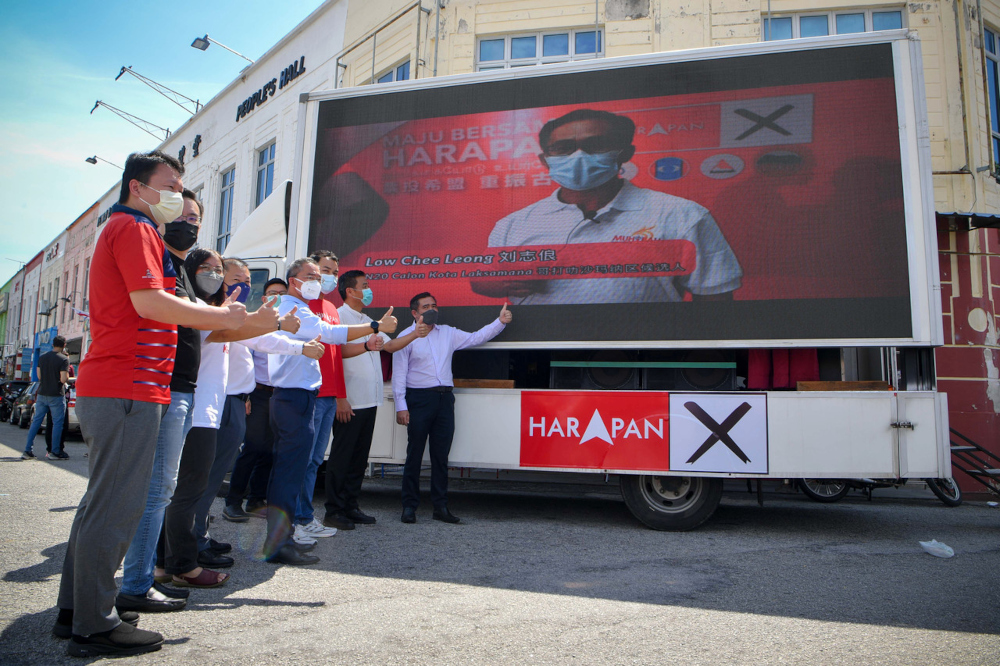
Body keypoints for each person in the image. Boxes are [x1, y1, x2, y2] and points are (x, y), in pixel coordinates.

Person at [55, 151, 247, 658]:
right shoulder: (134, 227)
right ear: (138, 187)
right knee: (116, 510)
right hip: (127, 388)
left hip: (125, 386)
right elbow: (152, 305)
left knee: (100, 506)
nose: (178, 194)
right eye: (171, 184)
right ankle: (93, 626)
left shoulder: (133, 228)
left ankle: (76, 610)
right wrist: (224, 316)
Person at [477, 108, 742, 304]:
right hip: (539, 355)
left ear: (625, 153)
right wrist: (493, 284)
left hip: (641, 357)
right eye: (563, 148)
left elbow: (714, 298)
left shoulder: (681, 215)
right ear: (545, 160)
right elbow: (482, 279)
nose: (578, 156)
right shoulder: (513, 224)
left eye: (595, 145)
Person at [264, 257, 398, 566]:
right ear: (293, 280)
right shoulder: (289, 307)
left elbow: (326, 332)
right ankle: (278, 541)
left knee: (297, 469)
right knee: (288, 472)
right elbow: (331, 334)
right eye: (310, 275)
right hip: (292, 398)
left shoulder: (306, 309)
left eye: (318, 274)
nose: (316, 280)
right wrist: (375, 326)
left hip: (303, 397)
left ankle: (285, 536)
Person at [192, 258, 324, 562]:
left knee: (211, 478)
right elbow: (252, 335)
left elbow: (262, 340)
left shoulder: (236, 316)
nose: (244, 284)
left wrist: (297, 346)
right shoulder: (212, 313)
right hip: (217, 401)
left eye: (248, 279)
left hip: (237, 399)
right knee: (201, 477)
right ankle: (190, 545)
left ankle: (199, 536)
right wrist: (283, 330)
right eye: (237, 277)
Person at [393, 293, 512, 524]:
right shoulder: (405, 337)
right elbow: (399, 374)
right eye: (426, 306)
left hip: (445, 399)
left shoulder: (447, 332)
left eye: (434, 305)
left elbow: (476, 338)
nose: (432, 309)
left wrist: (500, 322)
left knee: (440, 457)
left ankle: (441, 507)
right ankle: (409, 507)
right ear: (414, 313)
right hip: (418, 399)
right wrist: (401, 406)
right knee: (414, 455)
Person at [324, 270, 427, 529]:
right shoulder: (339, 316)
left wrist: (415, 333)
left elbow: (390, 347)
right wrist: (340, 397)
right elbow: (335, 356)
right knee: (341, 457)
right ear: (350, 290)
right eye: (365, 286)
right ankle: (334, 510)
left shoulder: (368, 319)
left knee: (359, 458)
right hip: (349, 401)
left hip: (369, 400)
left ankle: (351, 505)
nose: (369, 290)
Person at [223, 278, 289, 521]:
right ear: (264, 298)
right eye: (273, 293)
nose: (278, 296)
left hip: (280, 394)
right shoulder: (255, 322)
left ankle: (256, 500)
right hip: (257, 393)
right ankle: (232, 501)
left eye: (282, 293)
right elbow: (246, 359)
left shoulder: (291, 323)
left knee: (270, 451)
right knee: (252, 448)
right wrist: (248, 394)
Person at [291, 250, 346, 541]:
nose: (329, 278)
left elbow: (335, 356)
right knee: (302, 459)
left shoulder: (332, 308)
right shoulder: (299, 305)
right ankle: (297, 519)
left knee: (314, 461)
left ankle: (304, 516)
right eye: (324, 271)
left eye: (334, 272)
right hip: (309, 392)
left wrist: (340, 394)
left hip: (328, 396)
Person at [22, 335, 70, 460]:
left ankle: (27, 450)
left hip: (42, 394)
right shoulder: (63, 359)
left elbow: (39, 376)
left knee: (36, 422)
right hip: (56, 395)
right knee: (57, 423)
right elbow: (63, 379)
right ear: (64, 345)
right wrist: (67, 378)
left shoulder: (42, 358)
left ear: (53, 344)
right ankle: (54, 451)